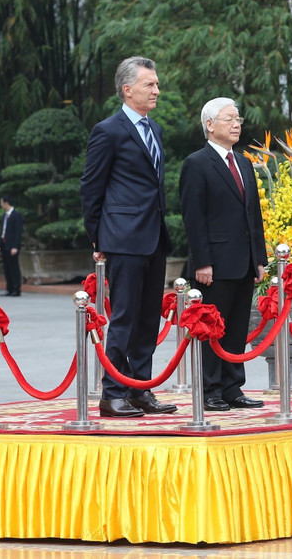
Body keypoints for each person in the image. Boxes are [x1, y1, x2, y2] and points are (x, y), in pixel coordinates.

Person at [80, 56, 177, 418]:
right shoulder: (108, 130)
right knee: (124, 317)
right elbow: (91, 187)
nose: (156, 90)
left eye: (156, 83)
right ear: (127, 89)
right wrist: (98, 238)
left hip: (153, 237)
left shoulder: (156, 130)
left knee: (149, 318)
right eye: (149, 84)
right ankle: (114, 393)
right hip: (122, 238)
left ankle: (140, 389)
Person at [180, 98, 267, 411]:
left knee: (237, 327)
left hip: (243, 261)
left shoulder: (243, 162)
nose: (236, 124)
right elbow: (193, 217)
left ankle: (232, 388)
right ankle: (210, 390)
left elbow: (253, 215)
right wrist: (202, 261)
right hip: (213, 264)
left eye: (238, 119)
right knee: (211, 327)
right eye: (229, 119)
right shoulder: (197, 163)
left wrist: (260, 258)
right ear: (210, 124)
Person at [0, 195, 23, 297]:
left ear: (6, 203)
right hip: (5, 244)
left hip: (12, 246)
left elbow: (18, 232)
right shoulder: (5, 216)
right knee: (6, 268)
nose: (1, 204)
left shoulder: (17, 215)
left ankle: (16, 289)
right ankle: (9, 288)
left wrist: (15, 246)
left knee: (14, 267)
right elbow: (3, 231)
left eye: (1, 202)